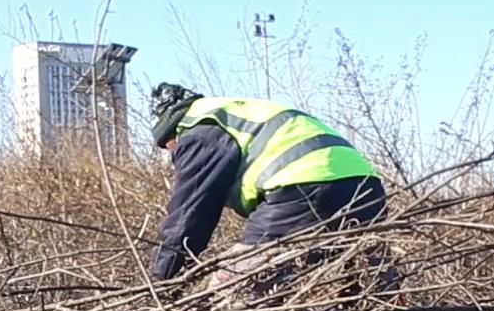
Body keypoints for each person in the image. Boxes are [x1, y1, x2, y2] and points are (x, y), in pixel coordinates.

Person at [146, 83, 386, 289]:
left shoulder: (199, 131)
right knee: (366, 295)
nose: (173, 158)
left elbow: (188, 219)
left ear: (170, 134)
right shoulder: (235, 112)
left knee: (233, 288)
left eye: (169, 149)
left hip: (305, 187)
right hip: (367, 190)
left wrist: (161, 283)